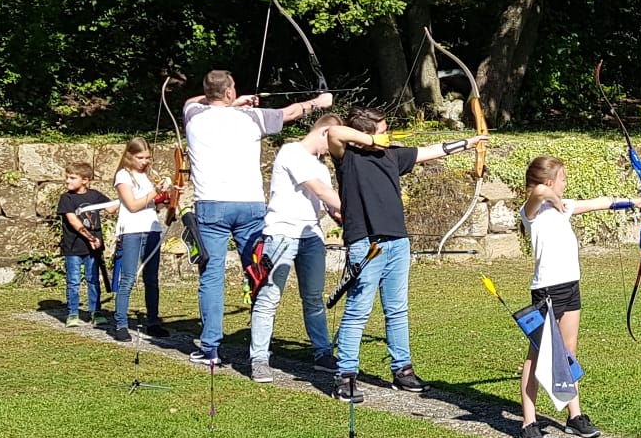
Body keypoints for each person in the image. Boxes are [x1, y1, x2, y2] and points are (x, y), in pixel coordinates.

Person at [327, 106, 482, 403]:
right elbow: (334, 131)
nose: (388, 136)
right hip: (366, 243)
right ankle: (345, 375)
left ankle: (402, 370)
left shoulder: (392, 156)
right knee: (358, 310)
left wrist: (469, 142)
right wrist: (371, 140)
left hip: (397, 242)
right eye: (383, 131)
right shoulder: (348, 157)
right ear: (367, 133)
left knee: (397, 309)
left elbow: (430, 151)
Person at [182, 70, 332, 365]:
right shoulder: (252, 118)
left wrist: (233, 101)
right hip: (250, 206)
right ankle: (259, 344)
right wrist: (318, 102)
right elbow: (291, 112)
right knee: (257, 272)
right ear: (229, 92)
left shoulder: (193, 114)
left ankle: (210, 347)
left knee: (211, 277)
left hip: (211, 205)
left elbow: (193, 100)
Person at [511, 154, 641, 438]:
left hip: (571, 286)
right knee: (537, 356)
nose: (565, 184)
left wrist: (634, 202)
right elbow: (538, 192)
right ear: (549, 182)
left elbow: (599, 202)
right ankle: (529, 423)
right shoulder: (531, 211)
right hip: (547, 290)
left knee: (569, 352)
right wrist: (553, 198)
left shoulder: (563, 207)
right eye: (563, 179)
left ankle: (575, 416)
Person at [247, 111, 346, 382]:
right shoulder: (291, 151)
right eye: (334, 142)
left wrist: (341, 215)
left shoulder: (320, 165)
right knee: (268, 298)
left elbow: (327, 202)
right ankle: (259, 359)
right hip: (281, 235)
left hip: (311, 236)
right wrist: (356, 210)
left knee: (314, 298)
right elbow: (321, 191)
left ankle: (322, 354)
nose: (334, 149)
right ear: (325, 132)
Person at [109, 138, 168, 343]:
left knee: (151, 279)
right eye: (140, 157)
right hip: (131, 231)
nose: (144, 162)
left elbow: (152, 206)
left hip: (151, 229)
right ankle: (121, 325)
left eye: (147, 158)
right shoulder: (123, 175)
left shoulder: (148, 176)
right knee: (128, 278)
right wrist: (155, 192)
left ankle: (153, 322)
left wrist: (166, 199)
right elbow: (132, 205)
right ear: (129, 156)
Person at [56, 162, 112, 326]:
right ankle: (73, 313)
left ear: (85, 180)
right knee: (73, 281)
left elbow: (111, 208)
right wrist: (91, 238)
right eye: (67, 177)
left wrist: (129, 194)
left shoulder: (95, 196)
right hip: (74, 247)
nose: (67, 181)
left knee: (93, 279)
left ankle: (96, 312)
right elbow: (74, 222)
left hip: (93, 249)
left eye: (72, 178)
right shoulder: (66, 198)